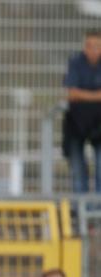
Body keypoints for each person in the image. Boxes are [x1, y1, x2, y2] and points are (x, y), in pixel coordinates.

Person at [63, 30, 101, 194]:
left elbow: (76, 93)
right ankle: (81, 217)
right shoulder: (76, 62)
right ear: (84, 47)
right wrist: (97, 95)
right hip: (76, 124)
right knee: (78, 173)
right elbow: (71, 93)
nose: (93, 49)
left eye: (97, 46)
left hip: (99, 125)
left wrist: (82, 95)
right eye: (89, 45)